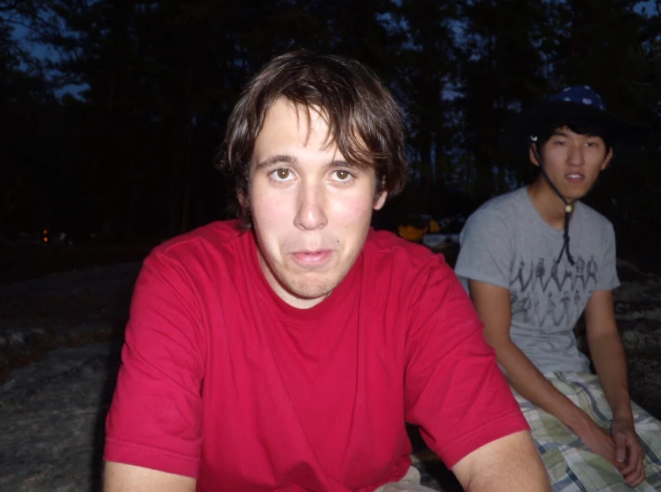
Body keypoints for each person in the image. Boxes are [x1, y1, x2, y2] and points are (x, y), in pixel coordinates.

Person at [102, 51, 550, 492]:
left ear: (381, 188)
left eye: (341, 173)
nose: (310, 215)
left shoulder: (419, 285)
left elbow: (499, 456)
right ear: (244, 189)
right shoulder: (182, 279)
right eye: (281, 173)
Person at [455, 85, 661, 491]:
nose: (576, 158)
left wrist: (622, 418)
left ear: (607, 158)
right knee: (602, 481)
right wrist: (586, 427)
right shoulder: (495, 224)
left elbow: (601, 333)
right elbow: (494, 342)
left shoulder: (600, 231)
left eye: (591, 144)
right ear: (536, 152)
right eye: (561, 141)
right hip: (503, 385)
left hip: (576, 378)